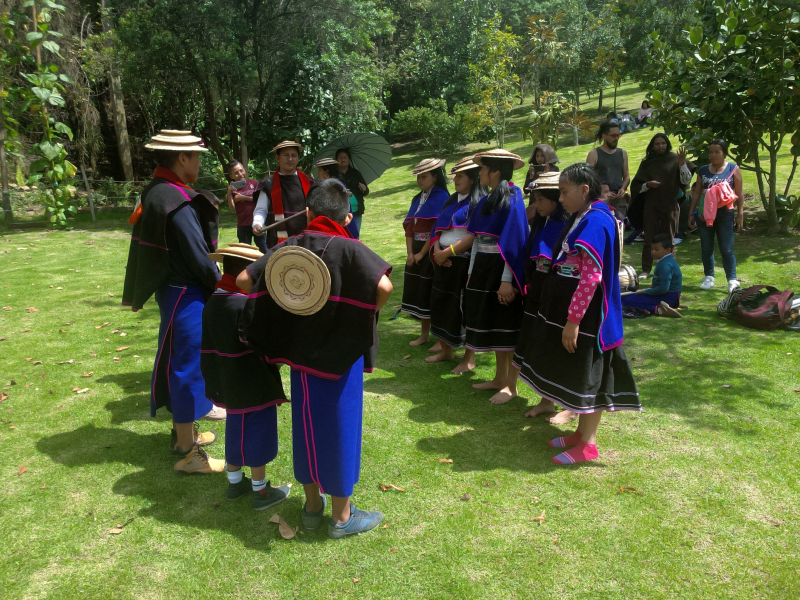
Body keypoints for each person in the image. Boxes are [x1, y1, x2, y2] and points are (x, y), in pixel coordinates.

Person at [237, 179, 394, 539]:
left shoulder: (291, 246)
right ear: (347, 216)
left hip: (301, 356)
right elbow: (383, 287)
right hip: (341, 359)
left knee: (306, 424)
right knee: (341, 426)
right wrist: (358, 319)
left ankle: (311, 507)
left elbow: (246, 280)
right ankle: (342, 517)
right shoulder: (350, 248)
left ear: (308, 213)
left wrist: (288, 306)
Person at [521, 163, 639, 464]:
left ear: (584, 189)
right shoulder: (583, 216)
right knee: (580, 375)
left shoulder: (597, 221)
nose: (560, 198)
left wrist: (573, 321)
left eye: (563, 192)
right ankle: (581, 435)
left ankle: (588, 444)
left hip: (591, 319)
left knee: (590, 377)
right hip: (579, 316)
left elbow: (590, 277)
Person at [122, 129, 224, 475]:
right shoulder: (174, 199)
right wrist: (221, 285)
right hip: (185, 290)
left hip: (175, 289)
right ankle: (187, 450)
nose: (199, 162)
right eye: (196, 157)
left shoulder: (160, 190)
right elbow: (198, 256)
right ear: (181, 159)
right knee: (187, 365)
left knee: (181, 359)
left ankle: (184, 433)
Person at [200, 244, 291, 508]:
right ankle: (260, 491)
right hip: (253, 380)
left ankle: (235, 481)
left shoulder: (214, 300)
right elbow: (266, 343)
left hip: (226, 380)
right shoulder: (244, 305)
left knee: (235, 426)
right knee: (258, 432)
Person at [461, 149, 529, 405]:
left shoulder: (514, 200)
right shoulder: (486, 201)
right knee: (493, 323)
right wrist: (470, 273)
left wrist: (506, 280)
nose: (480, 174)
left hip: (502, 269)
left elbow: (514, 244)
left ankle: (511, 386)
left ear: (496, 171)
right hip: (482, 268)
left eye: (483, 169)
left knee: (506, 325)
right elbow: (478, 238)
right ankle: (500, 378)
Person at [511, 171, 572, 422]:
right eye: (533, 199)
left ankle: (569, 405)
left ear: (556, 199)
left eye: (539, 199)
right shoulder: (542, 223)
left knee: (560, 348)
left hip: (558, 295)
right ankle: (547, 401)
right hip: (538, 293)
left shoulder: (568, 227)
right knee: (540, 345)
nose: (535, 205)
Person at [427, 157, 486, 373]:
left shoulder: (479, 202)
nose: (455, 179)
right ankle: (446, 350)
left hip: (462, 262)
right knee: (440, 303)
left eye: (460, 176)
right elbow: (437, 230)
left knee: (464, 308)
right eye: (455, 176)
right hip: (442, 260)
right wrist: (437, 252)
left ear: (472, 179)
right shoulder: (451, 201)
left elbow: (473, 236)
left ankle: (469, 358)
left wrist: (448, 252)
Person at [628, 134, 693, 278]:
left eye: (663, 143)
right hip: (651, 204)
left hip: (670, 204)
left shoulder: (675, 159)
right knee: (649, 237)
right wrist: (647, 185)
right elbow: (637, 185)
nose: (660, 146)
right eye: (657, 144)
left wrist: (682, 163)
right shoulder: (647, 163)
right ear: (652, 146)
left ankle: (667, 269)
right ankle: (646, 269)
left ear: (667, 144)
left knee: (669, 238)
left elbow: (686, 180)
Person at [402, 158, 449, 347]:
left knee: (432, 293)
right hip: (415, 250)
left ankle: (440, 339)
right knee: (420, 292)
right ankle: (424, 334)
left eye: (424, 176)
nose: (420, 180)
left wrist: (421, 253)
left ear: (435, 177)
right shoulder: (418, 198)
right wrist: (409, 254)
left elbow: (436, 229)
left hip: (430, 250)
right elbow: (409, 229)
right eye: (418, 177)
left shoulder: (442, 197)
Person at [688, 138, 743, 292]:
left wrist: (740, 214)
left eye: (717, 152)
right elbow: (697, 192)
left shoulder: (733, 168)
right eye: (711, 152)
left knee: (726, 249)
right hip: (704, 214)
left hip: (725, 214)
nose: (713, 155)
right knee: (706, 247)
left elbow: (739, 193)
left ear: (724, 152)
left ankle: (732, 279)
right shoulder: (703, 170)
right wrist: (691, 213)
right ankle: (709, 277)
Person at [252, 141, 314, 248]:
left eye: (293, 155)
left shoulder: (310, 183)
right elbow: (261, 210)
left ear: (298, 159)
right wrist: (257, 223)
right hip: (278, 241)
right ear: (277, 158)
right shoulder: (268, 184)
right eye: (286, 155)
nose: (290, 159)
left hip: (306, 239)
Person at [621, 234, 682, 317]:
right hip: (668, 296)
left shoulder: (665, 265)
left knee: (628, 300)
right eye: (652, 249)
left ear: (667, 250)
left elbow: (663, 289)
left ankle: (657, 309)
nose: (653, 252)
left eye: (657, 249)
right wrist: (652, 287)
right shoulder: (666, 260)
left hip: (667, 297)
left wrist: (645, 292)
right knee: (630, 297)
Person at [587, 120, 630, 218]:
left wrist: (623, 189)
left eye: (618, 136)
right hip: (602, 201)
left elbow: (626, 177)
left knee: (619, 230)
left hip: (619, 201)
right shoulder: (594, 154)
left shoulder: (622, 153)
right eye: (613, 136)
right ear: (604, 136)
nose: (616, 139)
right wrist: (602, 192)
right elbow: (587, 179)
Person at [225, 160, 266, 253]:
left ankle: (267, 267)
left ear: (244, 170)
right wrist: (229, 192)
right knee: (245, 252)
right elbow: (232, 208)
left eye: (241, 170)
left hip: (257, 223)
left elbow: (260, 200)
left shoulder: (254, 183)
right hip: (243, 226)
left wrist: (242, 197)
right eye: (236, 173)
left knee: (264, 249)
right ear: (231, 176)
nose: (240, 174)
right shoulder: (231, 189)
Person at [315, 157, 361, 239]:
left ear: (326, 172)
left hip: (342, 226)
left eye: (320, 170)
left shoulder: (333, 186)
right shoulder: (338, 183)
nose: (318, 173)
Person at [336, 148, 370, 239]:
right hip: (342, 211)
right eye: (340, 158)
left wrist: (364, 188)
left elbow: (366, 191)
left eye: (345, 157)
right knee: (344, 235)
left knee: (356, 235)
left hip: (357, 210)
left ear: (349, 159)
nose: (343, 160)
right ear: (336, 160)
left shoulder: (355, 173)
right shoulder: (335, 175)